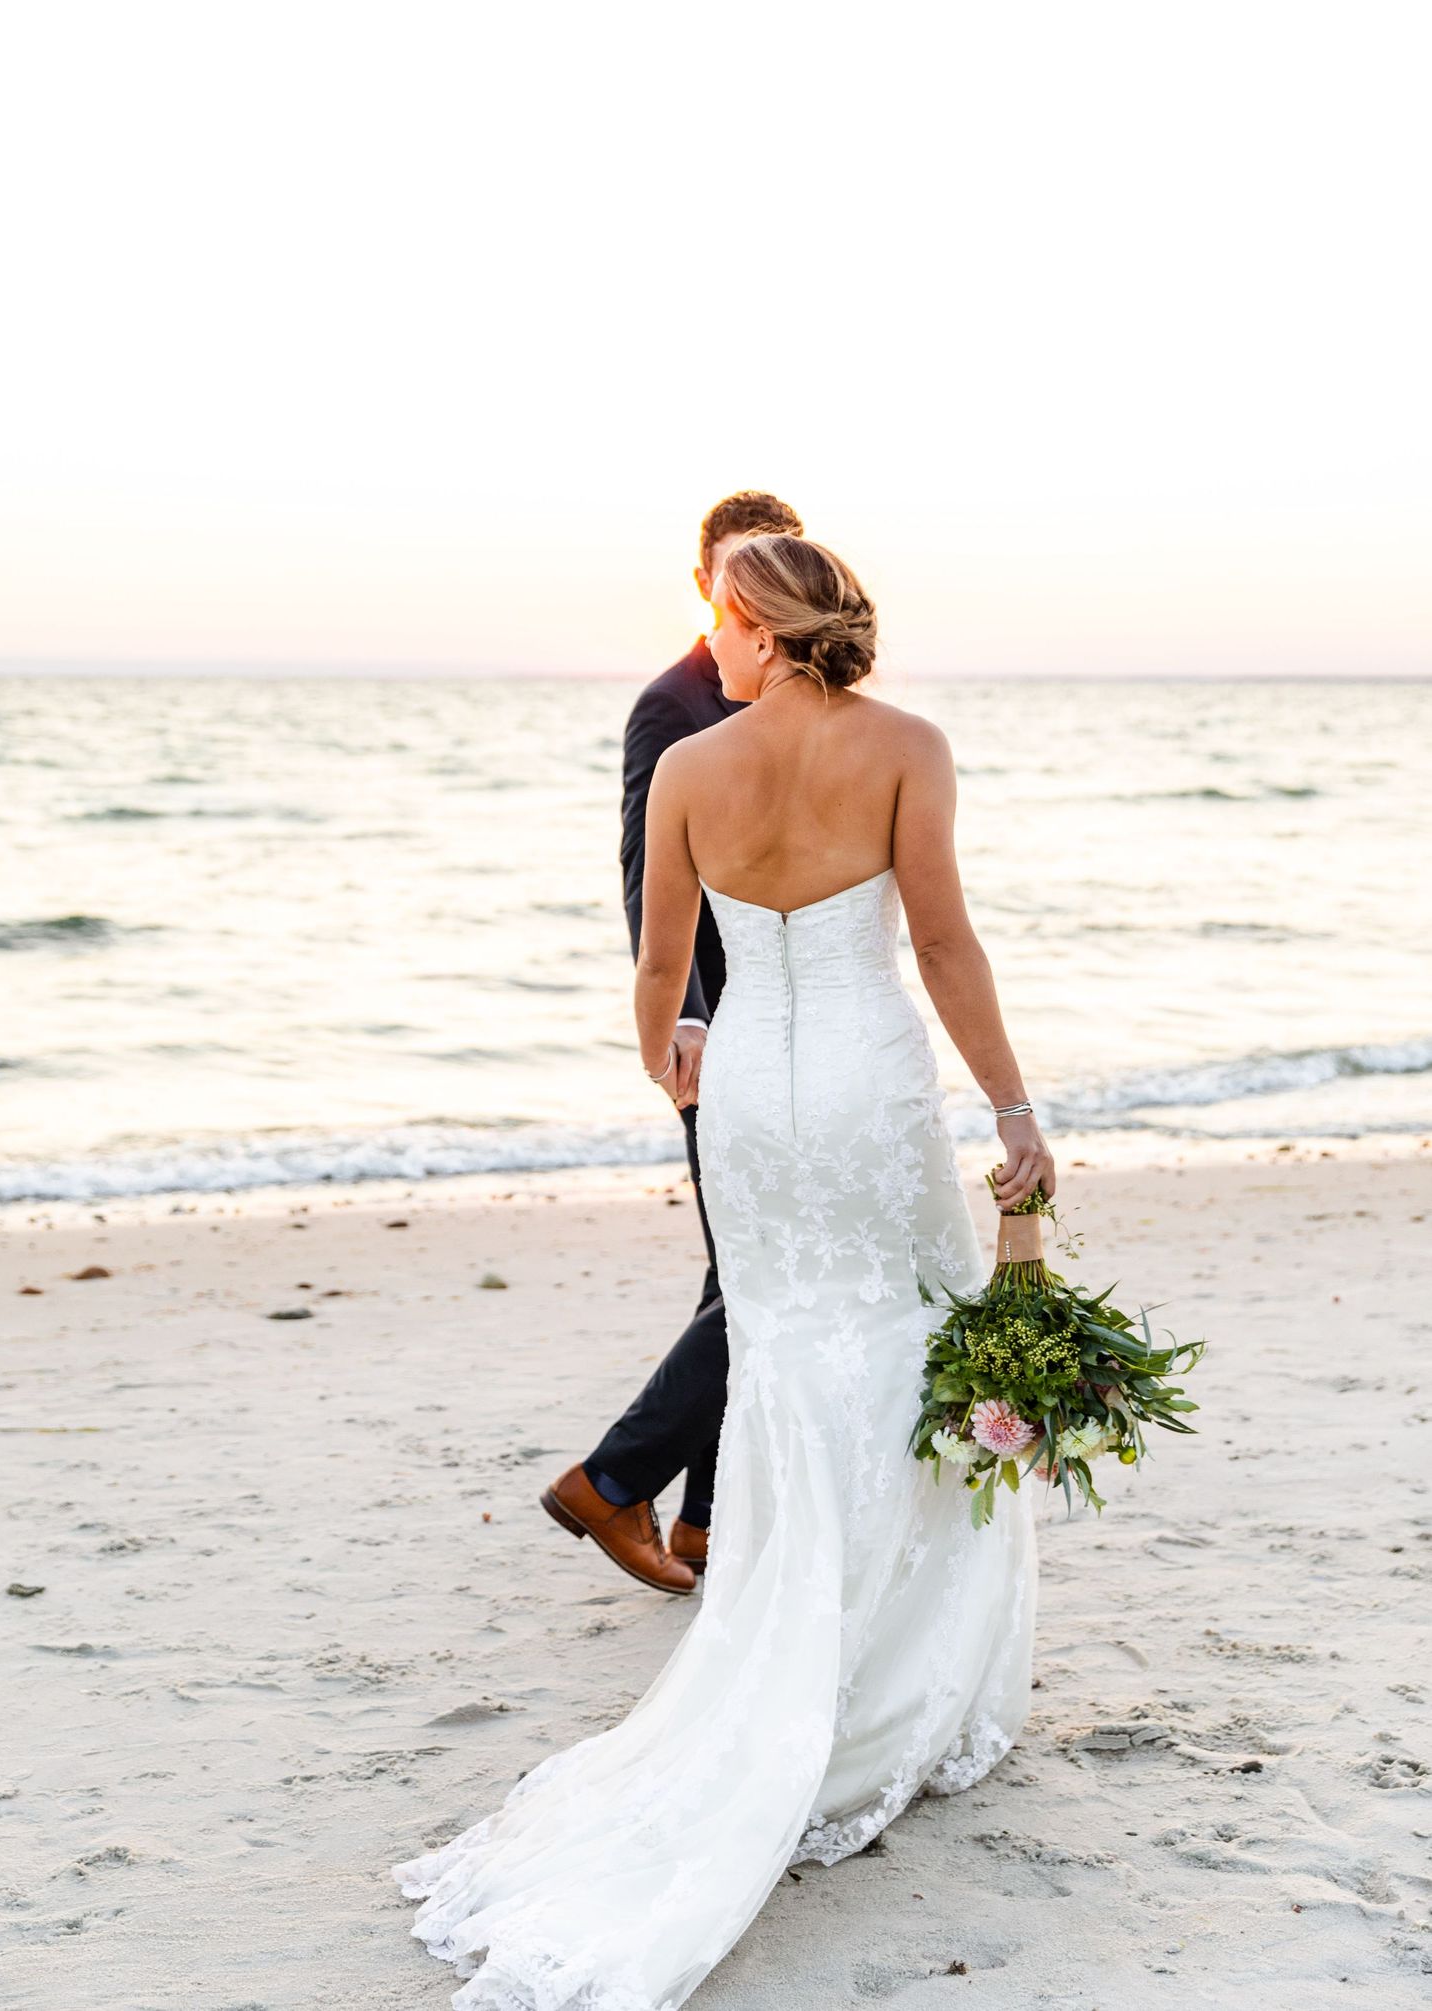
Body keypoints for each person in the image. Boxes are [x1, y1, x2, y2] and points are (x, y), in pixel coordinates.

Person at [392, 532, 1054, 2009]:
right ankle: (888, 1667)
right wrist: (1013, 1104)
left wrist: (676, 1065)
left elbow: (657, 965)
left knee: (783, 1358)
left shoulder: (692, 765)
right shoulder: (908, 746)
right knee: (911, 1344)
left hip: (750, 1089)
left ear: (751, 624)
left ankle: (784, 1635)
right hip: (875, 1081)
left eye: (723, 617)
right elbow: (941, 941)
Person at [540, 490, 805, 1596]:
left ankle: (697, 1518)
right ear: (703, 581)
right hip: (726, 1031)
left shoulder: (809, 699)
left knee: (737, 1266)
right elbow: (651, 889)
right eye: (733, 569)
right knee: (753, 1270)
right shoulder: (671, 705)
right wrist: (684, 1024)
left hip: (809, 1017)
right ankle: (613, 1479)